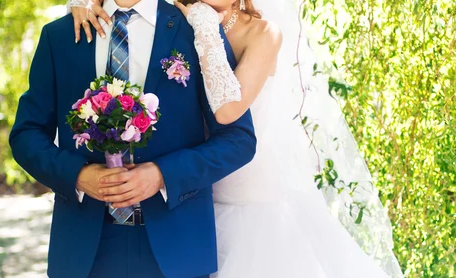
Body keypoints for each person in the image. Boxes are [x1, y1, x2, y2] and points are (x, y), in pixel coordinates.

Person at [70, 0, 405, 277]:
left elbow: (228, 110)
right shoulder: (176, 21)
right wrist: (82, 4)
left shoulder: (264, 33)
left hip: (247, 193)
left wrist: (205, 27)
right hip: (189, 190)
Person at [9, 0, 257, 277]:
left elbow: (238, 139)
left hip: (177, 246)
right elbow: (26, 135)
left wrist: (162, 175)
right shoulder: (60, 36)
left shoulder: (196, 30)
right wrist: (78, 175)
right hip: (83, 250)